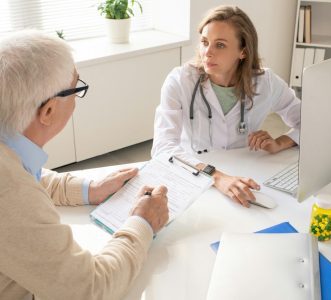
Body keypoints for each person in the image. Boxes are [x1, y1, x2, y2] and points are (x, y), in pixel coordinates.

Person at [0, 30, 169, 300]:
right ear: (48, 112)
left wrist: (92, 188)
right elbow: (90, 289)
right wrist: (143, 223)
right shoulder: (10, 193)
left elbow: (27, 175)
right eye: (77, 88)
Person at [152, 5, 301, 208]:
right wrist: (217, 177)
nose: (207, 53)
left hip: (246, 173)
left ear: (243, 52)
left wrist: (281, 142)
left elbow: (309, 121)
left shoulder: (266, 82)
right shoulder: (180, 81)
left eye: (220, 45)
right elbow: (163, 148)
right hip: (194, 173)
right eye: (205, 42)